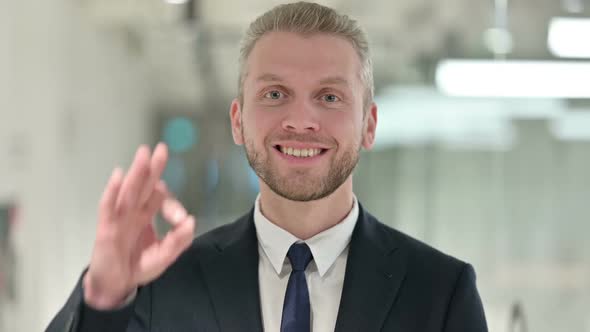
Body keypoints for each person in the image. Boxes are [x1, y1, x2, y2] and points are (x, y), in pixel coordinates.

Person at [46, 2, 488, 331]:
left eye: (329, 97)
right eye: (275, 94)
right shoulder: (165, 284)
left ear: (369, 125)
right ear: (238, 121)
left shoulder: (440, 292)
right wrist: (103, 296)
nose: (300, 120)